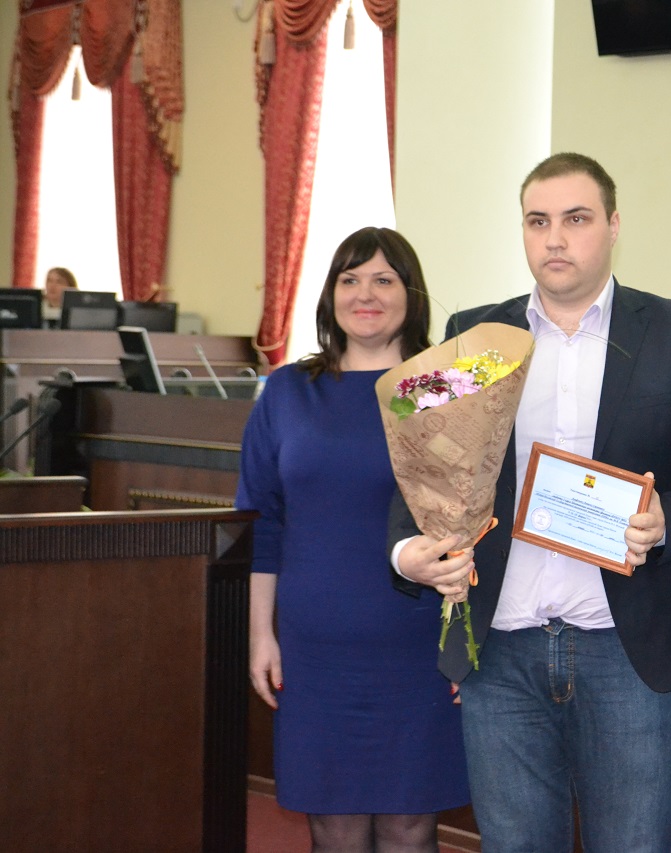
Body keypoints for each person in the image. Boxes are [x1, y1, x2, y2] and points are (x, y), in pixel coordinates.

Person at [389, 152, 671, 853]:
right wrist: (409, 552)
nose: (555, 238)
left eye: (576, 219)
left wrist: (668, 519)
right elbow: (422, 463)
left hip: (628, 648)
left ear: (613, 226)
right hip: (500, 649)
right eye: (538, 221)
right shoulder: (475, 336)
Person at [237, 227, 471, 853]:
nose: (365, 294)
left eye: (383, 279)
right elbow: (262, 522)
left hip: (416, 645)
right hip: (314, 650)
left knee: (409, 828)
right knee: (334, 830)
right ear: (330, 294)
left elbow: (472, 517)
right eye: (350, 279)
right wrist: (261, 634)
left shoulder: (439, 387)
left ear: (410, 295)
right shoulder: (288, 390)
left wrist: (465, 643)